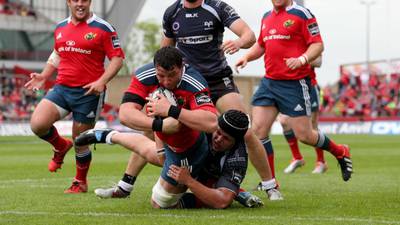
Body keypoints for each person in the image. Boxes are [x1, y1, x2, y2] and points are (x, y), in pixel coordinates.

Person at [96, 0, 282, 201]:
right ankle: (125, 186)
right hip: (183, 83)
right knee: (154, 128)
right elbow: (164, 53)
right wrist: (159, 83)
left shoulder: (217, 7)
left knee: (243, 130)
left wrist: (237, 43)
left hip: (217, 80)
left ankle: (270, 185)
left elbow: (249, 36)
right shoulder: (172, 12)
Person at [235, 0, 353, 182]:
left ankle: (340, 151)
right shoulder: (266, 17)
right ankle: (271, 184)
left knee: (305, 135)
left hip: (294, 84)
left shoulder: (303, 14)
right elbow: (261, 44)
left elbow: (318, 45)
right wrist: (246, 57)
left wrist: (302, 59)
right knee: (258, 131)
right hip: (269, 82)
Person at [24, 0, 124, 193]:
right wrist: (44, 75)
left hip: (88, 93)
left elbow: (117, 59)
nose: (80, 4)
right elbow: (57, 53)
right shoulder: (61, 27)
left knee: (80, 141)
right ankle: (60, 146)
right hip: (61, 88)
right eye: (75, 0)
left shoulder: (103, 28)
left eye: (84, 0)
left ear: (89, 2)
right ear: (69, 2)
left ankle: (80, 182)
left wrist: (101, 81)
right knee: (37, 124)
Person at [76, 109, 264, 209]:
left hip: (204, 176)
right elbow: (163, 120)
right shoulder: (201, 124)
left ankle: (237, 191)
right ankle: (109, 136)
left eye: (226, 139)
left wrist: (189, 182)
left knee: (162, 204)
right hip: (192, 161)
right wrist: (160, 150)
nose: (218, 139)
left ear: (237, 141)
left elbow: (222, 202)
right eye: (218, 133)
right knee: (159, 158)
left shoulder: (237, 157)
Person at [280, 56, 328, 174]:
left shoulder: (309, 40)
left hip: (308, 86)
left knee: (312, 126)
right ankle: (297, 158)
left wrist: (300, 59)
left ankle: (321, 162)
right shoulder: (281, 40)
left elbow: (318, 62)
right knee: (284, 121)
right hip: (290, 88)